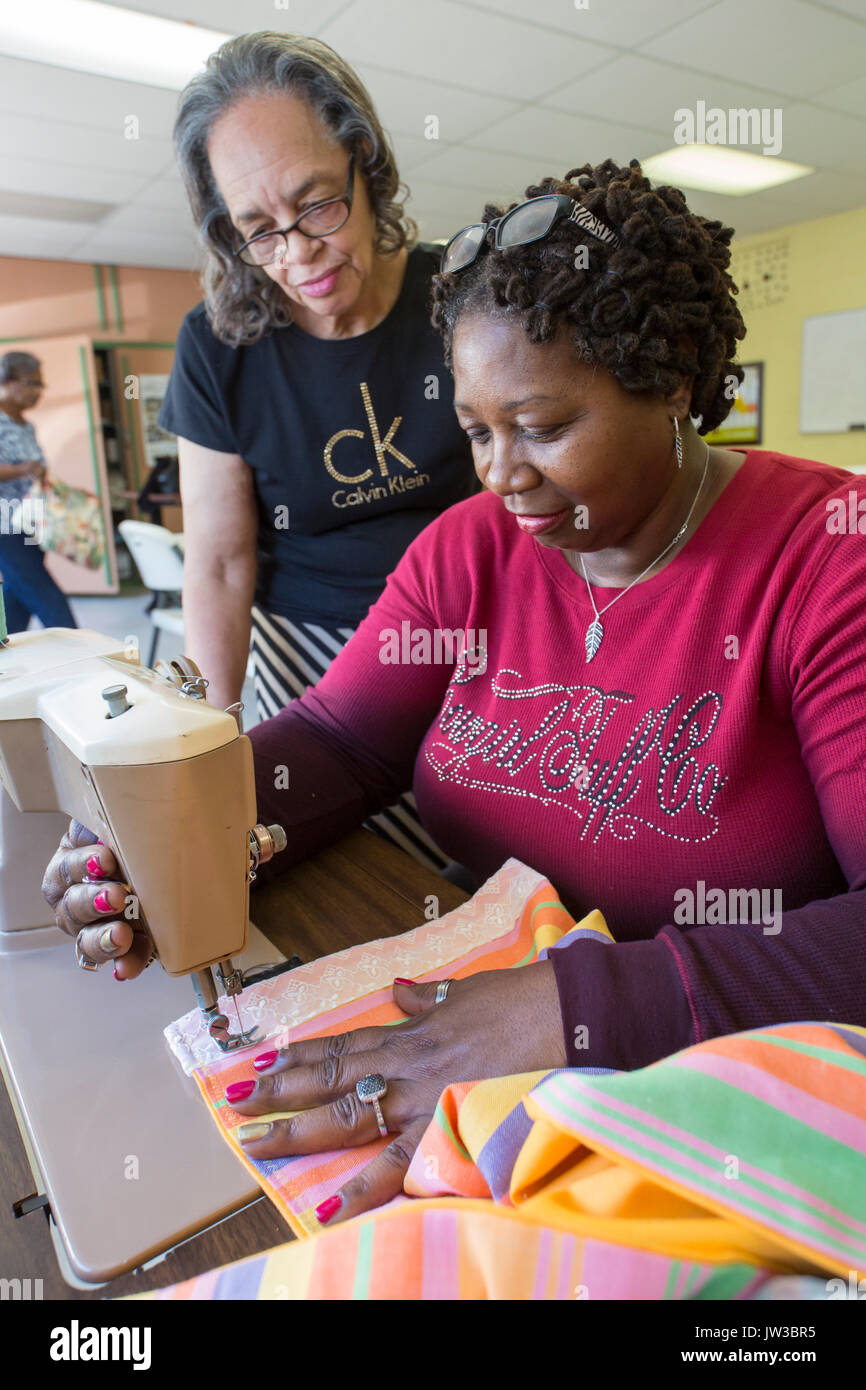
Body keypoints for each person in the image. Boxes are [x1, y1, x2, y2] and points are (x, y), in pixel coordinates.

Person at [44, 158, 866, 1229]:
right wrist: (181, 831)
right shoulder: (473, 548)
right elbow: (342, 738)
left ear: (672, 382)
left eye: (541, 426)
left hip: (710, 1076)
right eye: (476, 431)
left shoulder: (826, 561)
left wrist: (578, 1009)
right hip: (480, 1022)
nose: (498, 476)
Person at [158, 31, 476, 870]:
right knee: (329, 874)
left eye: (318, 205)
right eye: (258, 229)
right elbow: (221, 563)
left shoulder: (464, 301)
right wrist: (213, 735)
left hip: (475, 635)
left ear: (365, 165)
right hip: (309, 648)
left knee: (476, 869)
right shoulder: (216, 347)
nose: (298, 255)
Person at [0, 352, 76, 634]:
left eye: (40, 385)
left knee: (16, 596)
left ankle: (6, 656)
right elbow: (23, 468)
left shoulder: (26, 425)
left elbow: (34, 469)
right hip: (4, 528)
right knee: (50, 600)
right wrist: (21, 469)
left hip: (31, 525)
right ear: (6, 381)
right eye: (31, 383)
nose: (38, 392)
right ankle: (79, 655)